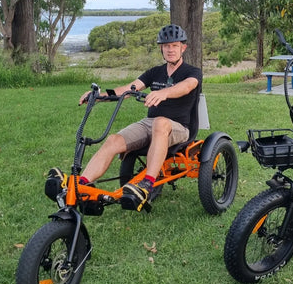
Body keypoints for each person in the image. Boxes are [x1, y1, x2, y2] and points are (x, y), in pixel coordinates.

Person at [53, 24, 202, 211]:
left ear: (183, 48)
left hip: (178, 127)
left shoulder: (192, 72)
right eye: (166, 46)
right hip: (150, 124)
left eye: (174, 46)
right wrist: (100, 96)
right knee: (114, 140)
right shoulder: (154, 72)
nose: (170, 50)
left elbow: (187, 86)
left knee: (161, 123)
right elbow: (128, 89)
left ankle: (147, 184)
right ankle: (81, 184)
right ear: (161, 49)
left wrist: (165, 93)